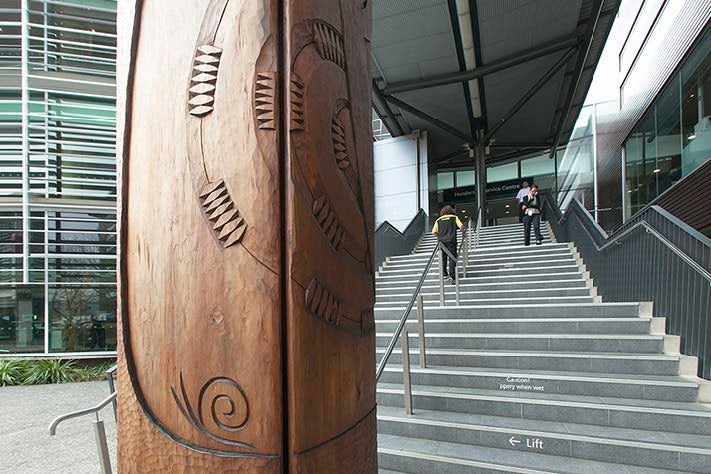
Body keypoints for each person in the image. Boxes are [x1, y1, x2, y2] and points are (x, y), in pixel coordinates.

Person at [432, 205, 464, 284]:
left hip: (441, 242)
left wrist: (440, 236)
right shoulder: (454, 218)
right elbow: (461, 226)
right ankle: (452, 276)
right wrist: (464, 233)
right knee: (452, 258)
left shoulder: (438, 220)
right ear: (451, 211)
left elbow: (434, 232)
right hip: (451, 240)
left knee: (443, 258)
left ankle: (444, 273)